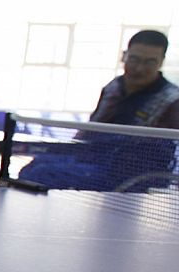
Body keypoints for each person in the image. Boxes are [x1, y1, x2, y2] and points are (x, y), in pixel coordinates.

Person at [17, 30, 178, 190]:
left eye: (149, 62)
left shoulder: (171, 100)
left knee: (43, 173)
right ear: (124, 56)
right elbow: (91, 129)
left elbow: (162, 153)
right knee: (35, 165)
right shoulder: (113, 88)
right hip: (90, 159)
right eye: (134, 59)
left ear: (161, 62)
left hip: (129, 174)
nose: (139, 68)